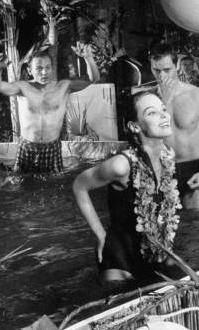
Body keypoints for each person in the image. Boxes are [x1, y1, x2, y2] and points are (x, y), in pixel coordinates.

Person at [72, 90, 182, 292]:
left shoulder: (168, 155)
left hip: (156, 253)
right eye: (152, 113)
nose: (164, 115)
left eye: (163, 110)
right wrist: (100, 235)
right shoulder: (121, 165)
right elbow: (79, 185)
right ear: (134, 126)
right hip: (120, 260)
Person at [0, 43, 99, 173]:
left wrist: (88, 57)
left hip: (52, 147)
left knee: (52, 186)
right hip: (27, 147)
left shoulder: (64, 87)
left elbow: (94, 79)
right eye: (39, 68)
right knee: (21, 184)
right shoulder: (22, 87)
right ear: (30, 71)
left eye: (48, 67)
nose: (44, 72)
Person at [149, 43, 199, 200]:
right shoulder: (148, 99)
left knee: (198, 221)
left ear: (177, 65)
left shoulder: (198, 95)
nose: (161, 76)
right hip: (161, 171)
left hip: (192, 168)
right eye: (156, 70)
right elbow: (147, 139)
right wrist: (163, 100)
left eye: (167, 70)